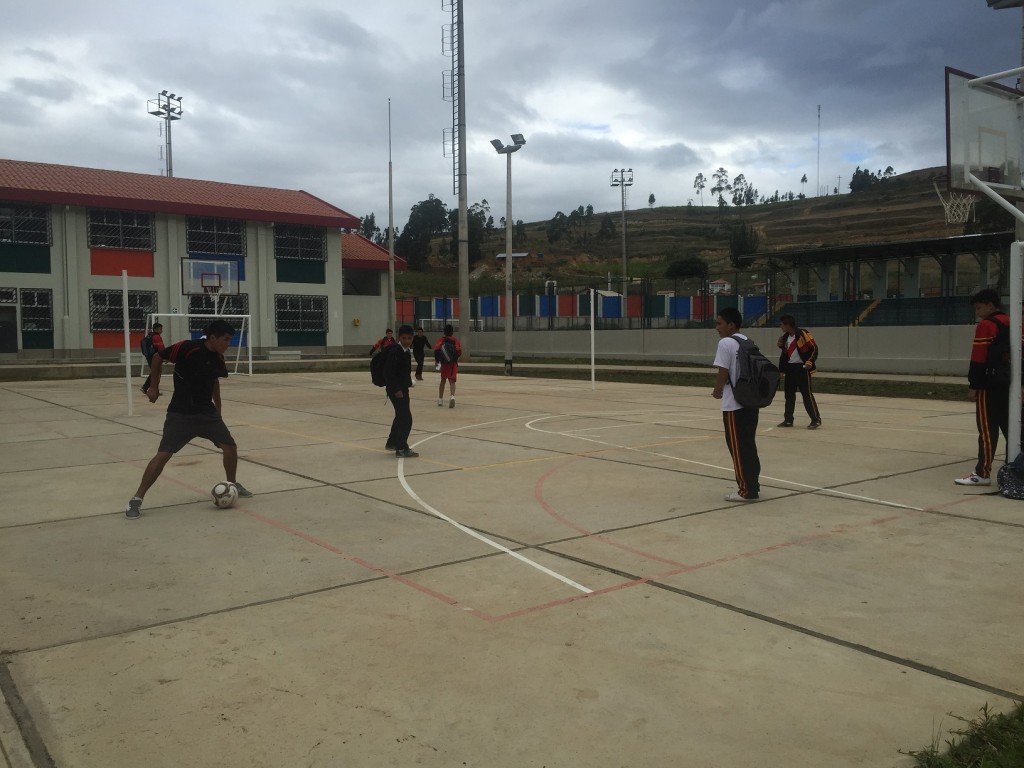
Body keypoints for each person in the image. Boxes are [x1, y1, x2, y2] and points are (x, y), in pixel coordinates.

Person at [125, 319, 253, 519]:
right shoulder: (186, 348)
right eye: (226, 339)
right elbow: (158, 357)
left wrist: (217, 411)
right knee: (163, 455)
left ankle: (232, 484)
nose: (229, 344)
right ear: (213, 338)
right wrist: (154, 386)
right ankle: (136, 499)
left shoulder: (218, 358)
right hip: (181, 413)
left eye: (230, 339)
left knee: (230, 448)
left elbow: (214, 383)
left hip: (206, 413)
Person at [956, 288, 1011, 486]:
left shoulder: (986, 326)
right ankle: (1014, 467)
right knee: (1011, 428)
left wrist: (974, 385)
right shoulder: (1012, 322)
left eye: (979, 307)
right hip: (1009, 384)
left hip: (989, 385)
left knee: (987, 429)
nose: (977, 312)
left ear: (990, 305)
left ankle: (982, 472)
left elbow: (978, 359)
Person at [712, 307, 761, 501]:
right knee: (748, 445)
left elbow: (723, 371)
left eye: (719, 323)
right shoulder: (747, 341)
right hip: (750, 401)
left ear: (731, 325)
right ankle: (753, 485)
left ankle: (746, 490)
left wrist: (718, 390)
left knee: (737, 448)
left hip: (734, 404)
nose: (717, 327)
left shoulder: (726, 343)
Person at [776, 315, 821, 429]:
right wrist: (782, 369)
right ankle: (788, 420)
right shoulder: (785, 337)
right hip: (790, 369)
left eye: (782, 324)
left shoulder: (802, 333)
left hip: (802, 368)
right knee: (789, 395)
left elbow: (814, 348)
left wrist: (809, 361)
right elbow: (785, 354)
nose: (780, 326)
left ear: (787, 325)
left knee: (807, 395)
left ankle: (815, 419)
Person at [384, 325, 418, 458]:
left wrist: (408, 383)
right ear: (399, 338)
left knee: (400, 415)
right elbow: (388, 372)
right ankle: (401, 447)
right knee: (406, 419)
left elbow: (403, 371)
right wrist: (396, 389)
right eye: (404, 338)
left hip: (403, 389)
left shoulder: (405, 351)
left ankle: (392, 442)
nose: (407, 341)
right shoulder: (396, 351)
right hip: (396, 391)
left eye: (409, 338)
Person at [434, 324, 462, 408]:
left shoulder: (441, 340)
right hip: (453, 364)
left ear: (444, 332)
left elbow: (436, 351)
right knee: (452, 381)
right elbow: (459, 352)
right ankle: (452, 396)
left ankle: (440, 399)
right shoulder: (455, 341)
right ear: (452, 332)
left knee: (443, 380)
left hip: (444, 364)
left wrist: (437, 361)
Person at [140, 322, 165, 394]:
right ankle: (150, 389)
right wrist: (165, 357)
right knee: (156, 373)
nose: (162, 330)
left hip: (149, 357)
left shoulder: (150, 336)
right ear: (156, 329)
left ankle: (145, 387)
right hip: (155, 358)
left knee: (155, 373)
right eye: (160, 329)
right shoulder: (157, 337)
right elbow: (161, 349)